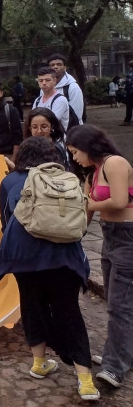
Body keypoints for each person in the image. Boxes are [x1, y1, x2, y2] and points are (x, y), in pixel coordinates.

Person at [0, 136, 98, 401]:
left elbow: (6, 221)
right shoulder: (67, 178)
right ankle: (85, 380)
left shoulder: (9, 182)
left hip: (24, 257)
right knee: (69, 311)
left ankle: (39, 363)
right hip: (64, 256)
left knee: (32, 306)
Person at [66, 124, 133, 389]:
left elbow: (117, 201)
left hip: (128, 237)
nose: (74, 158)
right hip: (110, 237)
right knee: (116, 302)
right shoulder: (91, 174)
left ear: (88, 146)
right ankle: (119, 353)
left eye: (75, 152)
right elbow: (84, 216)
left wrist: (87, 204)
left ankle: (114, 367)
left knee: (120, 305)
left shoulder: (114, 163)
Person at [32, 67, 70, 133]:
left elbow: (51, 121)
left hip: (56, 140)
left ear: (54, 81)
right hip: (39, 139)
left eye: (47, 80)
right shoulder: (37, 100)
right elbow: (32, 120)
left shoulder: (60, 100)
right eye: (41, 81)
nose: (44, 83)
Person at [123, 61, 133, 125]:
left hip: (130, 91)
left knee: (129, 106)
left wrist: (124, 81)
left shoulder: (130, 73)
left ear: (130, 66)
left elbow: (128, 81)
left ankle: (127, 121)